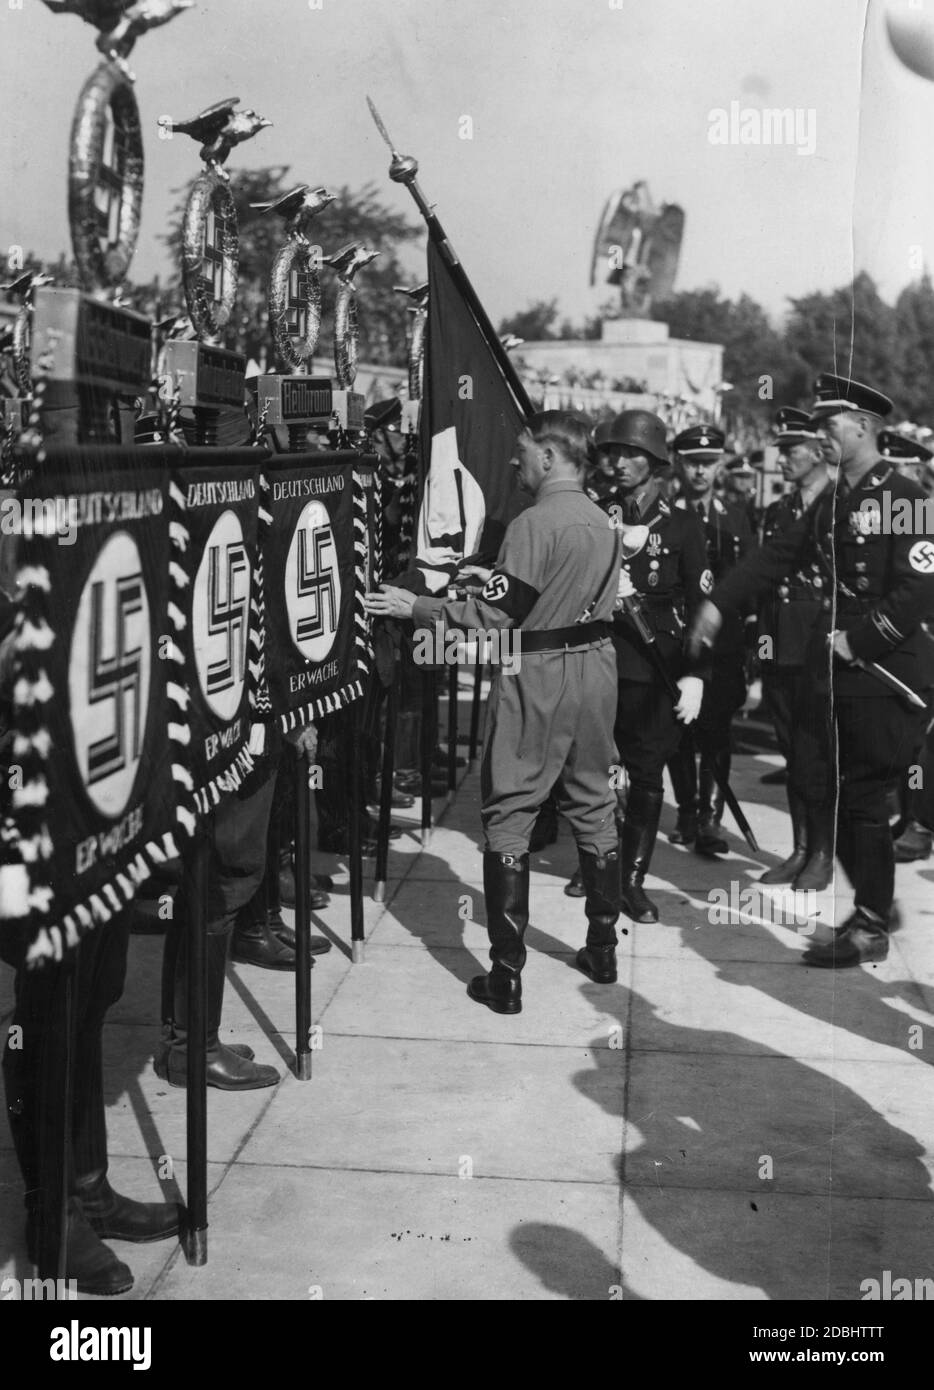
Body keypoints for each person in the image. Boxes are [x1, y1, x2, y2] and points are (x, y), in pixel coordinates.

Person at [364, 411, 624, 1011]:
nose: (514, 462)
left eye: (523, 451)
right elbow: (550, 591)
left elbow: (496, 618)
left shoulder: (535, 522)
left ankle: (506, 977)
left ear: (551, 458)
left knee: (510, 807)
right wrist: (496, 580)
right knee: (593, 799)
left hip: (537, 673)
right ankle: (602, 947)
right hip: (596, 669)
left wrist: (417, 607)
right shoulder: (601, 520)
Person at [690, 373, 934, 967]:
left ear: (863, 428)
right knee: (847, 792)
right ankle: (875, 905)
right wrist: (720, 604)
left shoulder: (902, 497)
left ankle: (872, 919)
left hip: (888, 672)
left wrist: (858, 641)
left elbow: (919, 586)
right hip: (844, 671)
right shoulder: (835, 499)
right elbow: (777, 557)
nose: (820, 434)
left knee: (862, 794)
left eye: (829, 425)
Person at [563, 410, 707, 921]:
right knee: (598, 769)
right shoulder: (596, 512)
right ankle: (597, 862)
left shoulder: (686, 525)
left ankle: (631, 879)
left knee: (645, 773)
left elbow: (702, 606)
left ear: (654, 463)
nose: (618, 462)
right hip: (601, 658)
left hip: (657, 666)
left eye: (631, 455)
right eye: (613, 453)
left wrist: (696, 673)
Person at [756, 408, 835, 891]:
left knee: (817, 755)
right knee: (791, 750)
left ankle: (823, 852)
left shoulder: (838, 504)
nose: (783, 458)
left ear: (819, 451)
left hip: (819, 645)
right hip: (780, 643)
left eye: (792, 450)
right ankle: (801, 847)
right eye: (781, 450)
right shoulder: (777, 512)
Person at [668, 425, 755, 854]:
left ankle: (711, 819)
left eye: (708, 463)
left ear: (720, 464)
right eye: (691, 462)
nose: (700, 472)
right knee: (678, 730)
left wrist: (756, 642)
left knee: (718, 732)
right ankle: (686, 810)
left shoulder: (737, 517)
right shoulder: (665, 512)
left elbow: (752, 583)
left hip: (723, 645)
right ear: (678, 463)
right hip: (677, 641)